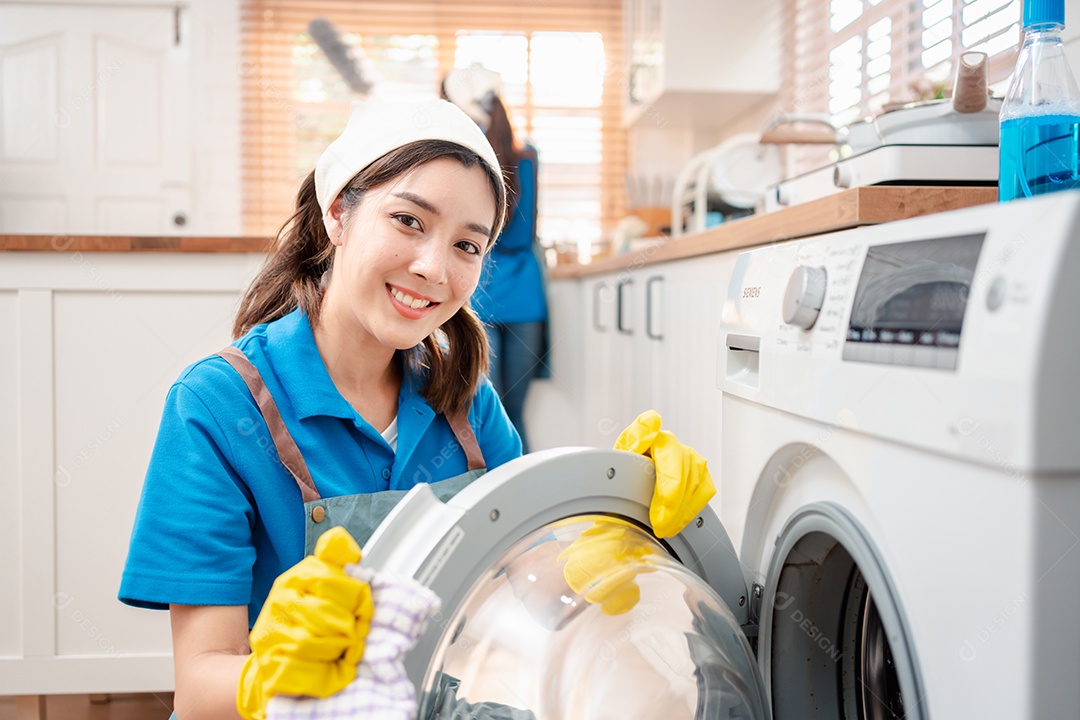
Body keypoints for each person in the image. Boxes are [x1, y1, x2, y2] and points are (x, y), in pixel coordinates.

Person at [118, 98, 714, 720]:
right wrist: (271, 677)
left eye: (467, 245)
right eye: (407, 220)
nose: (433, 267)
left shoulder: (465, 402)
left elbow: (537, 593)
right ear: (338, 214)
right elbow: (200, 686)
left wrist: (621, 528)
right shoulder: (215, 407)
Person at [443, 64, 549, 452]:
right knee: (514, 413)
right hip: (525, 294)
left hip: (483, 295)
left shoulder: (467, 160)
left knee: (488, 412)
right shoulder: (528, 156)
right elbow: (525, 232)